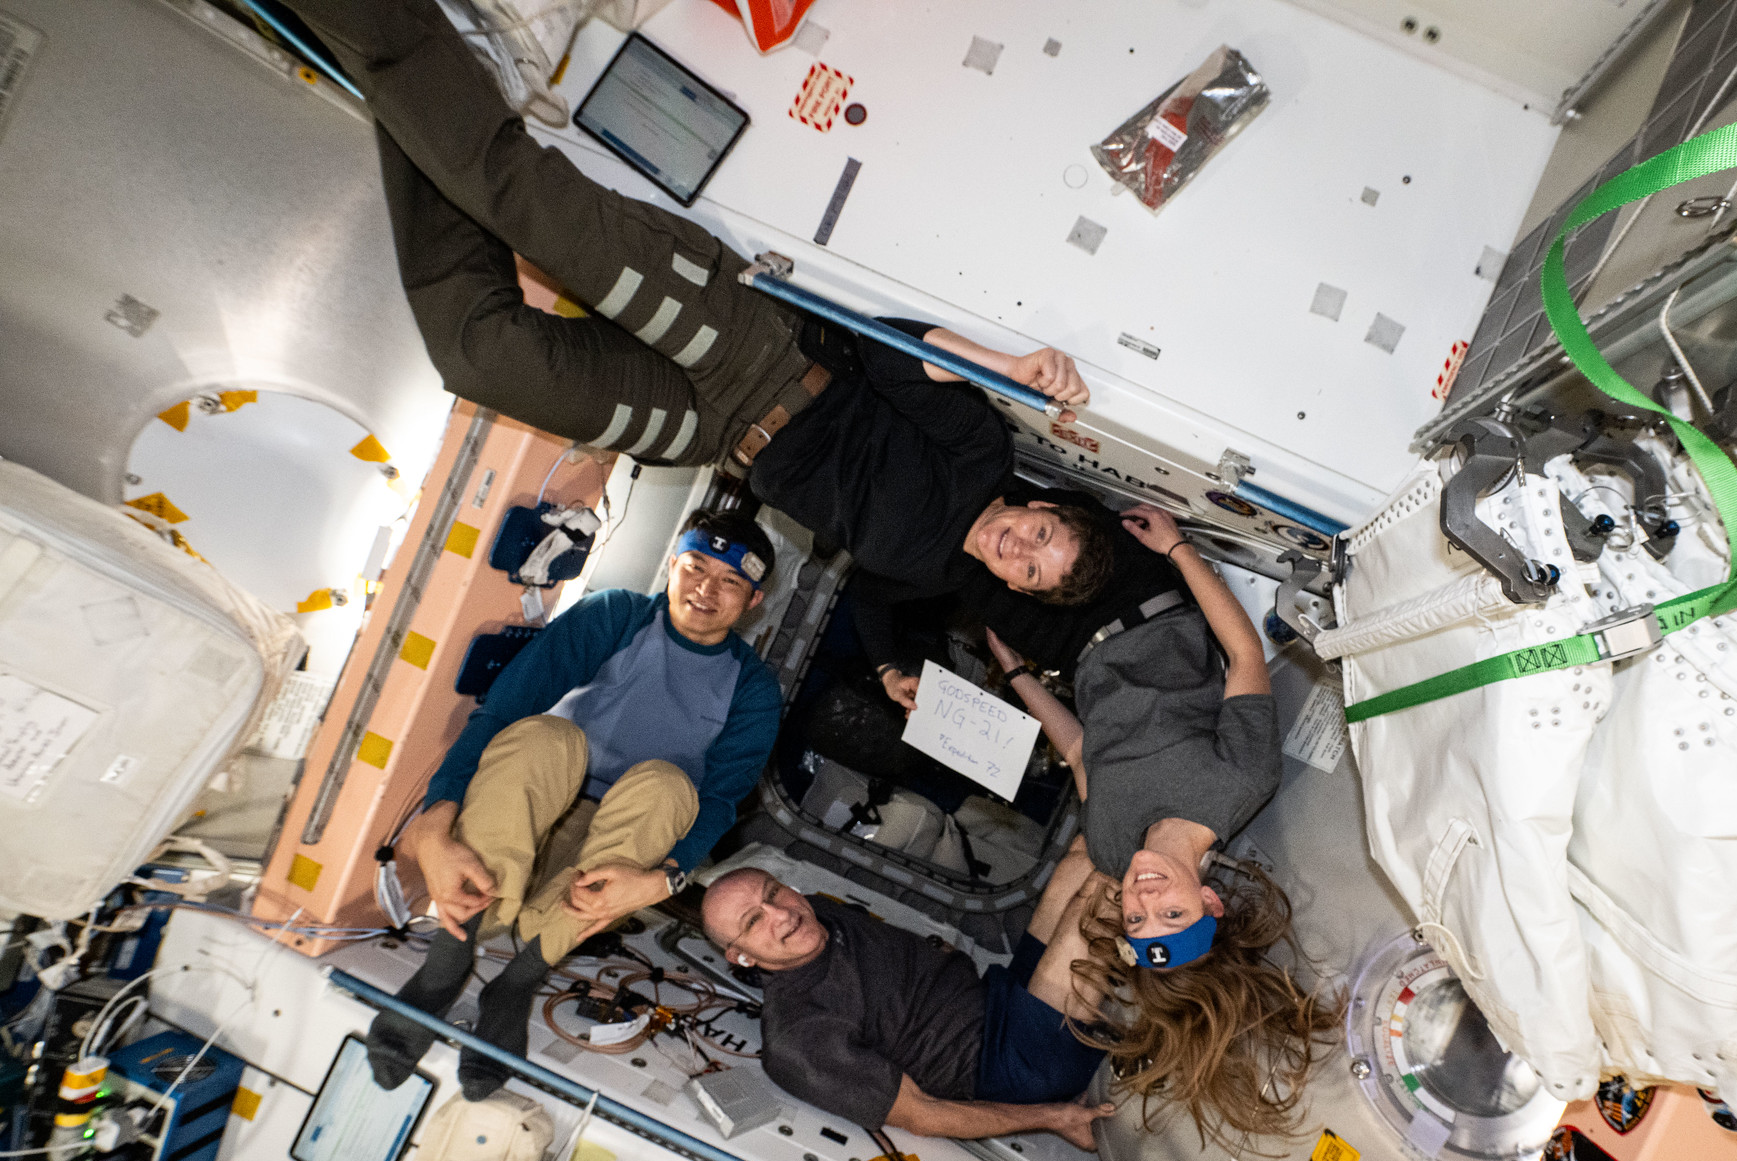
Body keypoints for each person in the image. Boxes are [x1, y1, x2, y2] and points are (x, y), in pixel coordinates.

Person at [285, 0, 1112, 605]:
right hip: (758, 349)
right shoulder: (982, 457)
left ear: (1017, 585)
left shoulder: (932, 573)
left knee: (478, 356)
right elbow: (890, 353)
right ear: (1043, 505)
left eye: (1030, 569)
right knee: (518, 197)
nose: (1019, 548)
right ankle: (409, 51)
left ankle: (423, 72)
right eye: (1042, 533)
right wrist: (1002, 366)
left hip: (711, 435)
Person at [368, 509, 782, 1100]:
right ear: (672, 565)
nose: (705, 590)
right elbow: (502, 713)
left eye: (729, 582)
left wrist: (664, 881)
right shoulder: (615, 615)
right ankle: (447, 960)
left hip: (620, 843)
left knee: (672, 785)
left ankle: (516, 982)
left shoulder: (753, 688)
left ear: (754, 601)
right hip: (531, 810)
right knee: (545, 736)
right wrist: (437, 819)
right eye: (694, 568)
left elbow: (721, 800)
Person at [989, 506, 1336, 1141]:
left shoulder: (1114, 850)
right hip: (1140, 599)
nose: (1144, 899)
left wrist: (1015, 676)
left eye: (1136, 918)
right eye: (1172, 913)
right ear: (1210, 901)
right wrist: (1177, 548)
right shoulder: (1238, 785)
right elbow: (1241, 652)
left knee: (959, 567)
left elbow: (1077, 750)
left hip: (1069, 649)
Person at [697, 841, 1116, 1148]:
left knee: (1084, 855)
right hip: (1017, 1064)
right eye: (754, 921)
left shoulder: (817, 916)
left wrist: (940, 957)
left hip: (998, 999)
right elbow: (923, 1116)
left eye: (773, 893)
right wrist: (1056, 1117)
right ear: (740, 957)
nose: (782, 914)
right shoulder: (801, 1038)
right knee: (1103, 894)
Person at [855, 484, 1186, 714]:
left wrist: (889, 673)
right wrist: (1180, 552)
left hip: (1068, 639)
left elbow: (869, 594)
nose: (1020, 547)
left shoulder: (953, 566)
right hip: (1147, 602)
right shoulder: (1043, 530)